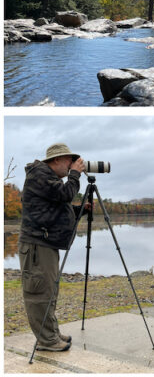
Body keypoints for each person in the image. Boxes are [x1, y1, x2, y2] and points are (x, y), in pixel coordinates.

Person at [18, 143, 87, 351]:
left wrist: (79, 210)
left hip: (45, 243)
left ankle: (51, 333)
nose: (71, 166)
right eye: (69, 162)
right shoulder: (39, 174)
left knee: (49, 291)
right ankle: (46, 340)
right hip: (37, 245)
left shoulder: (47, 178)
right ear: (56, 160)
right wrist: (75, 175)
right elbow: (65, 194)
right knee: (39, 294)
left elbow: (54, 209)